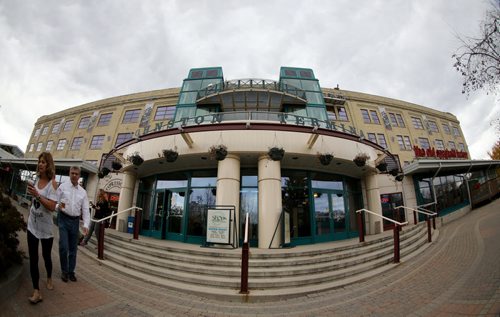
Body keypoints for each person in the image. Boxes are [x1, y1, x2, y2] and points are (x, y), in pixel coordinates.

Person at [26, 152, 58, 304]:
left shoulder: (52, 184)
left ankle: (50, 277)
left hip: (46, 229)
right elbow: (34, 199)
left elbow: (52, 206)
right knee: (33, 258)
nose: (40, 164)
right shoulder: (36, 179)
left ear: (48, 164)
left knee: (46, 256)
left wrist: (38, 195)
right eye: (39, 161)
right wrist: (32, 194)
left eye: (43, 162)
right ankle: (36, 291)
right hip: (32, 225)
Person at [56, 166, 90, 283]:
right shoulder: (62, 187)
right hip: (63, 219)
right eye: (72, 173)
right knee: (63, 247)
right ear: (69, 173)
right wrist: (57, 206)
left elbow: (85, 209)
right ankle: (64, 271)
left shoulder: (83, 192)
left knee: (73, 249)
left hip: (75, 222)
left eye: (76, 173)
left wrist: (86, 225)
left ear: (79, 175)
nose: (74, 175)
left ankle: (71, 272)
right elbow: (56, 201)